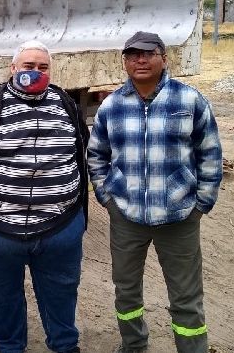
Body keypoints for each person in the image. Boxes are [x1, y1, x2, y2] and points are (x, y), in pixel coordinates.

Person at [0, 40, 89, 353]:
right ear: (13, 69)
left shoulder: (66, 104)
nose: (36, 72)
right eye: (28, 66)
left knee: (61, 292)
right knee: (2, 296)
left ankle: (65, 345)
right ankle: (10, 347)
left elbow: (81, 149)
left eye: (43, 67)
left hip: (60, 228)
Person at [87, 31, 223, 353]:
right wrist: (108, 198)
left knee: (186, 298)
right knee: (126, 291)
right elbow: (97, 155)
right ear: (125, 62)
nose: (141, 60)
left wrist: (201, 204)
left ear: (164, 58)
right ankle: (133, 345)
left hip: (179, 216)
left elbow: (210, 154)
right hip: (127, 217)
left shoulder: (189, 101)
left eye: (148, 53)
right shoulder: (112, 105)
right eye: (133, 55)